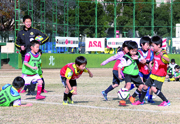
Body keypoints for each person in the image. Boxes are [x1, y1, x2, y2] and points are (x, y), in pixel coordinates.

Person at [132, 36, 170, 106]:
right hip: (153, 74)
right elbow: (154, 59)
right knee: (145, 86)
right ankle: (141, 101)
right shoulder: (155, 52)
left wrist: (163, 56)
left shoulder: (163, 53)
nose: (151, 47)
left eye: (153, 46)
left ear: (158, 45)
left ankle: (166, 101)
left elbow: (168, 60)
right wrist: (150, 62)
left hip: (159, 75)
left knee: (153, 88)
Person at [16, 15, 49, 93]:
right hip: (25, 55)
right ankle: (25, 88)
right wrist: (20, 47)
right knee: (26, 72)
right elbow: (16, 43)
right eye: (27, 22)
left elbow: (46, 37)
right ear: (23, 22)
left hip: (34, 55)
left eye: (30, 22)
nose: (28, 23)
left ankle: (37, 88)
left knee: (36, 71)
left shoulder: (34, 31)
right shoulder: (20, 33)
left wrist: (38, 43)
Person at [118, 41, 146, 106]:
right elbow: (119, 66)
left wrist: (138, 59)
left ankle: (133, 97)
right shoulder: (126, 57)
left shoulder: (138, 54)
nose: (134, 52)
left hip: (135, 74)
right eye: (132, 51)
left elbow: (144, 61)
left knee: (142, 87)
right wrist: (119, 74)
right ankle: (122, 101)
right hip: (128, 74)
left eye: (135, 51)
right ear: (129, 50)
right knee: (128, 86)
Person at [137, 36, 155, 103]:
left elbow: (151, 60)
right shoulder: (138, 52)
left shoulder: (151, 52)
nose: (148, 46)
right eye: (147, 45)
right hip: (140, 71)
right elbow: (140, 61)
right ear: (142, 44)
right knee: (141, 85)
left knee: (150, 85)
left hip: (148, 71)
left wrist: (149, 63)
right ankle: (141, 99)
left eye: (149, 45)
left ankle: (150, 98)